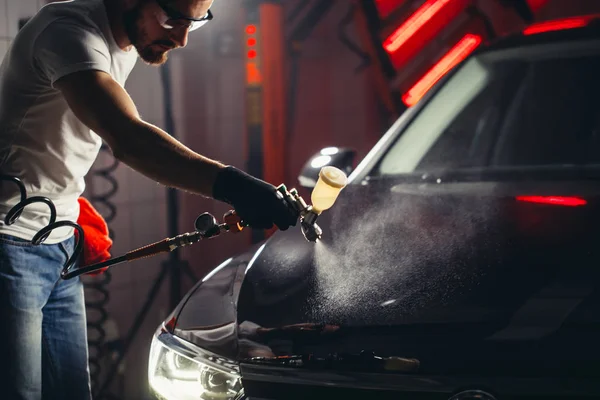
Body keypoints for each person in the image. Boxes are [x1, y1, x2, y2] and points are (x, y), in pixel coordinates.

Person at [0, 0, 297, 398]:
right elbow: (128, 138)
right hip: (10, 242)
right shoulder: (67, 32)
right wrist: (234, 186)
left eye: (196, 21)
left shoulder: (123, 39)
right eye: (174, 19)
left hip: (57, 241)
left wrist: (66, 201)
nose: (183, 38)